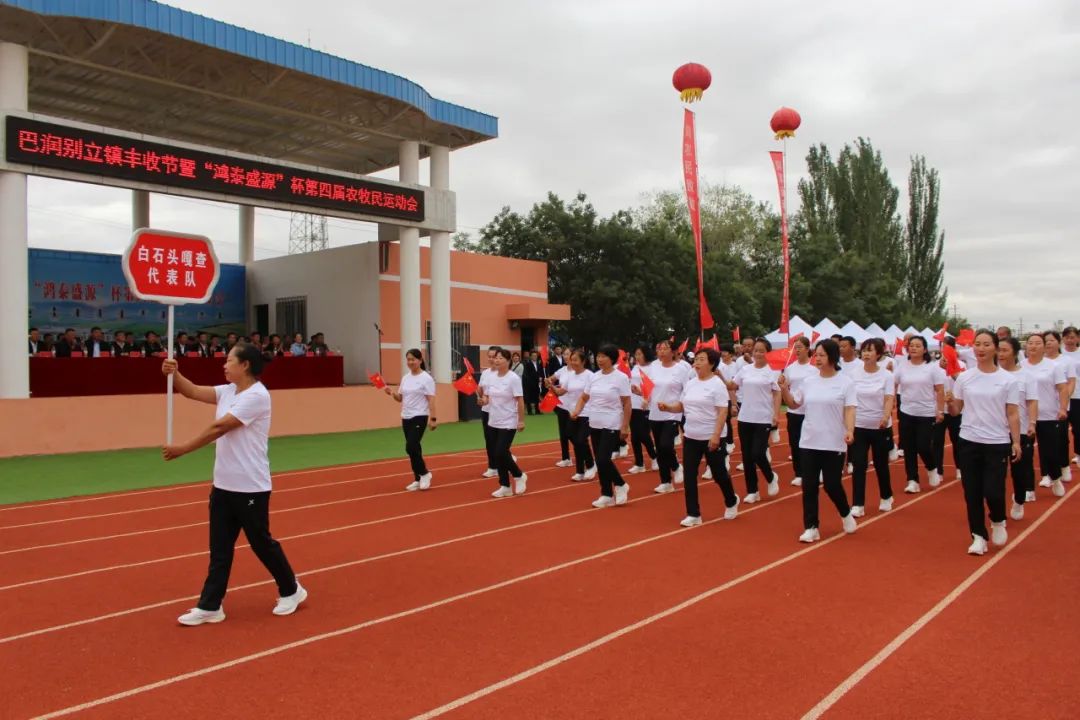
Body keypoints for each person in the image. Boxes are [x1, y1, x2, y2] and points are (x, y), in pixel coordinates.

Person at [161, 342, 306, 625]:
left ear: (245, 365)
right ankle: (210, 605)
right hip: (223, 485)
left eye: (229, 360)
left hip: (250, 486)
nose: (224, 365)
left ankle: (291, 589)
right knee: (220, 549)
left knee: (261, 544)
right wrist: (174, 374)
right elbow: (192, 391)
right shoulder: (228, 391)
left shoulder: (257, 396)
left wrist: (183, 449)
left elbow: (220, 427)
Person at [947, 330, 1021, 555]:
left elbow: (1012, 413)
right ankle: (978, 536)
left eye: (986, 344)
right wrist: (949, 404)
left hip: (997, 442)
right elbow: (956, 410)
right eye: (977, 344)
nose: (980, 348)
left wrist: (1016, 442)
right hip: (969, 440)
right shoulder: (964, 377)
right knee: (972, 493)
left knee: (994, 491)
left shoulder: (1008, 380)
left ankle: (997, 520)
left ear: (996, 348)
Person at [778, 339, 858, 543]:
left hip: (833, 441)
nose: (818, 359)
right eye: (817, 355)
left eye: (822, 355)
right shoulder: (809, 381)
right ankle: (811, 527)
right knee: (809, 486)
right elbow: (794, 404)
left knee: (832, 484)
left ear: (833, 357)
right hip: (809, 441)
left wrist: (850, 430)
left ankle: (845, 513)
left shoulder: (845, 382)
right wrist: (784, 389)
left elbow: (850, 409)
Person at [659, 347, 739, 526]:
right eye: (696, 359)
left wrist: (716, 436)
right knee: (689, 475)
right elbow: (681, 406)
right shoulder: (691, 383)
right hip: (691, 436)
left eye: (702, 359)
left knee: (719, 474)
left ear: (712, 364)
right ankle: (693, 513)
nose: (697, 363)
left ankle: (731, 500)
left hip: (711, 436)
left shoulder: (717, 384)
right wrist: (668, 407)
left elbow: (722, 411)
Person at [572, 344, 631, 508]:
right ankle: (606, 493)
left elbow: (627, 403)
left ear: (612, 359)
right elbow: (584, 397)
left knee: (603, 459)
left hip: (611, 422)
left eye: (603, 356)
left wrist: (625, 426)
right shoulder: (594, 377)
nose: (599, 359)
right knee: (600, 460)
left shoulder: (621, 378)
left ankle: (620, 484)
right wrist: (577, 410)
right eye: (598, 356)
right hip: (595, 422)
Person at [728, 338, 781, 503]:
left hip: (763, 417)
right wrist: (719, 375)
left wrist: (776, 414)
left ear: (768, 353)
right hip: (745, 417)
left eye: (761, 351)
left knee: (758, 453)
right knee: (747, 457)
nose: (758, 353)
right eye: (756, 350)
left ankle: (771, 477)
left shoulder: (772, 371)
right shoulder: (745, 370)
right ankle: (753, 491)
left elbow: (777, 393)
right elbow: (732, 386)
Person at [848, 338, 896, 515]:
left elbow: (889, 398)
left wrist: (885, 417)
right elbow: (849, 399)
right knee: (859, 464)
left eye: (870, 350)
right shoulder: (853, 374)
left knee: (881, 464)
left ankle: (886, 496)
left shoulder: (887, 375)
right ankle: (858, 504)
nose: (866, 354)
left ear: (879, 354)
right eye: (864, 350)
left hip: (880, 426)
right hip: (859, 425)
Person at [895, 335, 946, 493]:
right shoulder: (902, 366)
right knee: (909, 448)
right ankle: (912, 480)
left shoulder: (932, 368)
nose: (914, 348)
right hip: (906, 411)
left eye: (918, 346)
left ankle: (931, 467)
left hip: (926, 413)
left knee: (923, 446)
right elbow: (893, 384)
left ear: (925, 349)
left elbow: (940, 390)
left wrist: (940, 410)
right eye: (911, 345)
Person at [385, 348, 437, 491]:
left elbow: (431, 399)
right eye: (408, 359)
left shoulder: (426, 378)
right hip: (406, 417)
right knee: (415, 449)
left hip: (419, 416)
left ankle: (425, 473)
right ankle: (418, 478)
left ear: (420, 360)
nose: (410, 362)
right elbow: (400, 398)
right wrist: (391, 393)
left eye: (413, 359)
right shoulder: (405, 378)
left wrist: (433, 418)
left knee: (411, 446)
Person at [1024, 333, 1068, 497]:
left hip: (1048, 415)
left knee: (1050, 452)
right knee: (1025, 455)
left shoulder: (1053, 366)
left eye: (1037, 343)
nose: (1033, 346)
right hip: (1025, 417)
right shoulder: (1020, 366)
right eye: (1030, 343)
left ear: (1044, 346)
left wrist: (1062, 408)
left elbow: (1062, 388)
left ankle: (1055, 478)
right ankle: (1028, 489)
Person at [479, 348, 527, 497]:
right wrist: (483, 400)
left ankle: (519, 475)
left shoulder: (513, 378)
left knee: (501, 451)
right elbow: (487, 396)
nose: (497, 360)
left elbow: (520, 400)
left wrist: (521, 420)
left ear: (508, 361)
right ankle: (505, 485)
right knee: (497, 454)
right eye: (496, 358)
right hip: (494, 420)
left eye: (500, 358)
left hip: (509, 420)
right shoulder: (491, 377)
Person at [999, 337, 1038, 518]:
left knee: (1019, 471)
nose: (1000, 354)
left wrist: (1032, 423)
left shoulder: (1026, 376)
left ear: (1014, 353)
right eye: (998, 350)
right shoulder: (991, 374)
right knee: (995, 473)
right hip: (996, 431)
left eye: (1004, 350)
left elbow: (1032, 402)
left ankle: (1019, 499)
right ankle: (997, 511)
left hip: (1020, 430)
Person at [648, 339, 690, 494]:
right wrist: (641, 393)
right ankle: (665, 482)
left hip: (672, 412)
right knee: (659, 449)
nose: (661, 351)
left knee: (666, 445)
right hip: (655, 411)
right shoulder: (653, 367)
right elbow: (648, 387)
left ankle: (676, 466)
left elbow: (686, 389)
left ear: (673, 352)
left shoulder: (681, 369)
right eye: (659, 349)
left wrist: (680, 405)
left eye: (665, 348)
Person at [551, 349, 596, 482]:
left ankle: (591, 465)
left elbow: (592, 394)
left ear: (583, 361)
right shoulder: (570, 376)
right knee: (572, 438)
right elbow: (561, 392)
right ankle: (580, 471)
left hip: (586, 413)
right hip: (572, 413)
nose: (572, 362)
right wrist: (551, 387)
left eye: (575, 360)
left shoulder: (590, 376)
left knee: (580, 440)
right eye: (571, 360)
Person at [783, 336, 816, 487]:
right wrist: (782, 383)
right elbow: (785, 386)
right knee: (795, 442)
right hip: (794, 411)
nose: (797, 350)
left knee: (811, 442)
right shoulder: (790, 368)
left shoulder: (814, 367)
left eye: (800, 347)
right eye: (795, 347)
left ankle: (813, 471)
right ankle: (799, 473)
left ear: (807, 349)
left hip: (811, 411)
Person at [1043, 330, 1075, 482]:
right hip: (1042, 407)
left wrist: (1064, 400)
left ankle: (1064, 466)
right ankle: (1047, 473)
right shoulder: (1039, 361)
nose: (1048, 343)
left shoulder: (1066, 361)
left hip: (1060, 406)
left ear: (1058, 342)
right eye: (1046, 340)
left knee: (1061, 439)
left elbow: (1071, 382)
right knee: (1045, 441)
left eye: (1051, 340)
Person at [627, 343, 659, 474]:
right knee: (634, 436)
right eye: (636, 354)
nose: (637, 357)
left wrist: (644, 395)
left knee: (643, 434)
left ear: (646, 354)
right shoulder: (635, 367)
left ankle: (654, 456)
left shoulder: (654, 368)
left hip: (646, 405)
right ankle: (639, 463)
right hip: (633, 404)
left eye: (640, 354)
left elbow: (653, 386)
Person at [547, 347, 574, 468]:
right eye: (564, 354)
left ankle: (585, 455)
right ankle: (566, 458)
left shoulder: (578, 372)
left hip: (574, 407)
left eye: (568, 354)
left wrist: (553, 386)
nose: (565, 356)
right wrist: (548, 381)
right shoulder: (562, 370)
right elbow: (552, 378)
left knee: (571, 434)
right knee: (563, 433)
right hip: (562, 405)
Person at [1061, 326, 1080, 467]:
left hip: (1078, 396)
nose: (1070, 340)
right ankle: (1062, 459)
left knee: (1078, 428)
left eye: (1072, 337)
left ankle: (1078, 454)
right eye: (1067, 337)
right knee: (1061, 431)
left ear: (1078, 338)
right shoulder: (1059, 354)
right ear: (1063, 339)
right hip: (1061, 397)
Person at [522, 350, 541, 415]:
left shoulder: (538, 364)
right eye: (533, 356)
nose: (534, 357)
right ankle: (529, 411)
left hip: (537, 383)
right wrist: (529, 382)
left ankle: (537, 410)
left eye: (535, 356)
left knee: (537, 396)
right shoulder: (528, 364)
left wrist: (540, 378)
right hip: (529, 383)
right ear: (530, 357)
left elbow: (539, 372)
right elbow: (526, 374)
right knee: (529, 397)